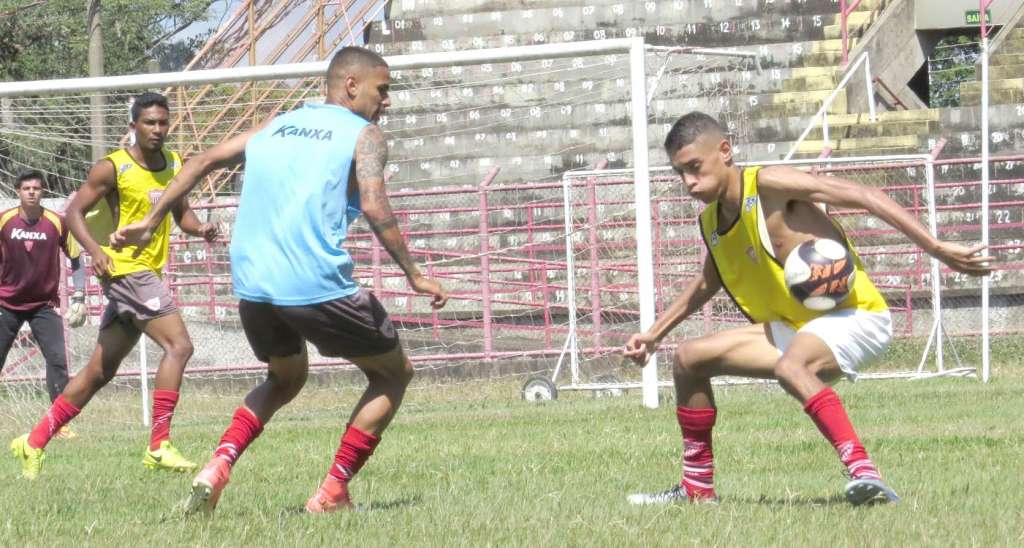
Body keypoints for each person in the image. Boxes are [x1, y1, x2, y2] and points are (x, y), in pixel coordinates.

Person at [111, 46, 448, 515]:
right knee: (394, 374)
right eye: (382, 89)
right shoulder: (365, 134)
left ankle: (218, 464)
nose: (386, 100)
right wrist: (415, 274)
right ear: (352, 85)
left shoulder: (279, 124)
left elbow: (201, 160)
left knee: (285, 378)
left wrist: (151, 221)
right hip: (313, 282)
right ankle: (333, 492)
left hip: (254, 284)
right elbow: (374, 204)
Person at [623, 111, 993, 506]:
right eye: (680, 172)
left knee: (792, 366)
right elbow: (707, 282)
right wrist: (655, 334)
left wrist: (936, 248)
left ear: (725, 151)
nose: (689, 182)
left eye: (695, 167)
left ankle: (865, 473)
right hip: (799, 326)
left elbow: (865, 195)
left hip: (857, 317)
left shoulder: (769, 185)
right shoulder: (712, 221)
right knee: (689, 360)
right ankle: (696, 489)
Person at [9, 92, 220, 480]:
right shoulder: (113, 168)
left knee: (99, 372)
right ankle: (158, 445)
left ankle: (34, 441)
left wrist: (201, 228)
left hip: (145, 273)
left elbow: (182, 214)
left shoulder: (175, 164)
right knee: (179, 346)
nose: (158, 129)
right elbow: (72, 212)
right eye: (149, 122)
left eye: (163, 122)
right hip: (125, 270)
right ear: (133, 126)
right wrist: (95, 251)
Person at [1, 170, 87, 439]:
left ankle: (59, 424)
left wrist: (80, 295)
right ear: (18, 191)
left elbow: (76, 259)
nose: (31, 192)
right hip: (6, 303)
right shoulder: (4, 221)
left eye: (36, 188)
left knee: (58, 361)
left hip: (43, 305)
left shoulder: (57, 222)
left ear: (43, 192)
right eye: (26, 188)